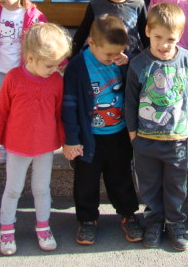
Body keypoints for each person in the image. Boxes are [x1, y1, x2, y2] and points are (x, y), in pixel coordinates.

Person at [125, 3, 188, 251]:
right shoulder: (138, 64)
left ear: (180, 36)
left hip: (177, 140)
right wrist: (133, 134)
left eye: (170, 39)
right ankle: (153, 222)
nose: (164, 44)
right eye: (158, 37)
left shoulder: (187, 60)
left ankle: (175, 223)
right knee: (149, 185)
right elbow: (131, 101)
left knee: (176, 185)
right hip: (145, 139)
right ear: (148, 31)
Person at [0, 22, 72, 256]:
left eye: (58, 64)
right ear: (31, 57)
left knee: (42, 189)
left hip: (45, 147)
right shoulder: (13, 78)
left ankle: (43, 227)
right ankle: (6, 230)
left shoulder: (56, 81)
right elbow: (0, 112)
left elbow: (60, 115)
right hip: (17, 146)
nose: (54, 69)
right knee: (13, 189)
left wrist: (66, 142)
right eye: (50, 65)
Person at [62, 15, 143, 246]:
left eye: (119, 52)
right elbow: (69, 105)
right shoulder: (77, 66)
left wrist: (127, 65)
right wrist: (71, 139)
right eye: (108, 54)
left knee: (121, 177)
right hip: (88, 138)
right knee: (85, 181)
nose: (113, 58)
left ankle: (128, 214)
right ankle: (87, 219)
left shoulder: (121, 61)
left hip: (118, 134)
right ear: (92, 43)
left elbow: (134, 90)